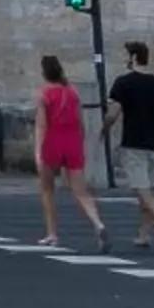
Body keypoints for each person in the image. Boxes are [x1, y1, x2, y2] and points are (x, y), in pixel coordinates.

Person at [104, 40, 154, 254]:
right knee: (147, 192)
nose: (125, 60)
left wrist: (103, 130)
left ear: (134, 58)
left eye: (127, 56)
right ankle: (143, 234)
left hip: (134, 144)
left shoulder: (123, 83)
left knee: (142, 190)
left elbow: (113, 113)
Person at [34, 52, 109, 251]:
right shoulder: (72, 92)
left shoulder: (44, 94)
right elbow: (80, 122)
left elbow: (41, 125)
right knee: (81, 191)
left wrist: (38, 152)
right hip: (72, 140)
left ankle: (52, 233)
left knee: (47, 190)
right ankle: (97, 223)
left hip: (53, 140)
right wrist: (80, 142)